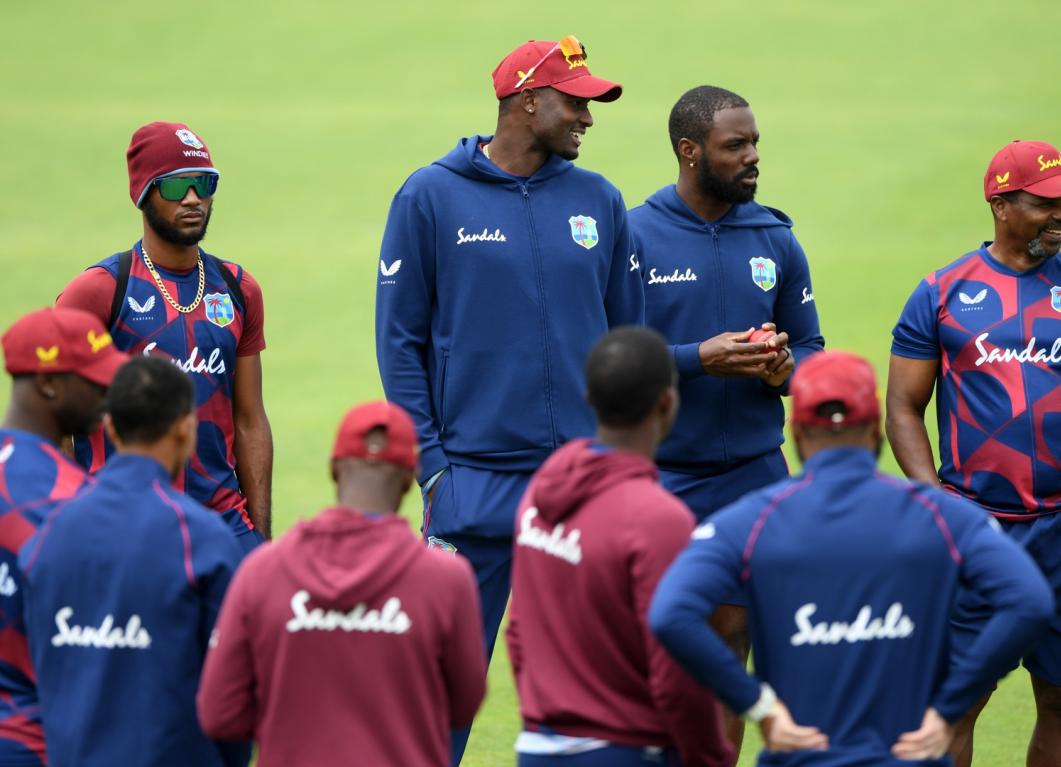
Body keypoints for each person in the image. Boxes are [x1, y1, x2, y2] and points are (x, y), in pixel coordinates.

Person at [374, 35, 642, 763]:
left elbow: (629, 345)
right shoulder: (429, 196)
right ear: (526, 101)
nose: (588, 117)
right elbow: (399, 345)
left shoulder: (599, 200)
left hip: (582, 488)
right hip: (473, 483)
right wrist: (435, 469)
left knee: (599, 696)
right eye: (574, 102)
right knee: (438, 696)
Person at [650, 350, 1054, 766]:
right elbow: (1029, 601)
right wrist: (950, 704)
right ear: (875, 431)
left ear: (797, 432)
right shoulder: (944, 518)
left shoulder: (749, 522)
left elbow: (670, 613)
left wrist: (758, 705)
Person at [628, 84, 824, 751]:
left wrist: (783, 369)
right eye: (735, 145)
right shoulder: (634, 235)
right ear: (690, 150)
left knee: (731, 645)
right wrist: (695, 359)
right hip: (659, 478)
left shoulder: (775, 237)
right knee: (653, 652)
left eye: (754, 143)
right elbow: (607, 359)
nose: (752, 156)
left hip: (753, 476)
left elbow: (812, 353)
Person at [887, 139, 1061, 767]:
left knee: (1060, 702)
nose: (1059, 215)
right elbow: (903, 408)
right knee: (956, 705)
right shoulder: (942, 291)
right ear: (1001, 204)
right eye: (1045, 203)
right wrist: (935, 503)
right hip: (979, 530)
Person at [198, 401, 486, 767]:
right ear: (408, 479)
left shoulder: (262, 572)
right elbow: (463, 705)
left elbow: (220, 713)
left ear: (334, 470)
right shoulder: (446, 581)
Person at [506, 326, 733, 767]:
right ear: (666, 403)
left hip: (539, 746)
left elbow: (518, 628)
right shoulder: (659, 519)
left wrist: (541, 713)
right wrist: (710, 757)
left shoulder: (543, 488)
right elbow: (676, 667)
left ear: (589, 399)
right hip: (624, 751)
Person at [19, 357, 248, 767]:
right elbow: (229, 695)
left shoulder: (49, 529)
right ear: (186, 427)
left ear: (109, 427)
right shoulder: (202, 540)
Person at [56, 121, 272, 552]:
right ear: (143, 193)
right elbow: (58, 424)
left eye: (204, 184)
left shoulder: (238, 289)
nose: (192, 199)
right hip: (124, 531)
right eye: (175, 186)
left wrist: (261, 542)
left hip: (224, 529)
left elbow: (250, 421)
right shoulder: (98, 292)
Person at [0, 307, 127, 766]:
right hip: (41, 744)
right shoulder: (74, 500)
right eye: (96, 380)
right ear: (49, 384)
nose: (108, 393)